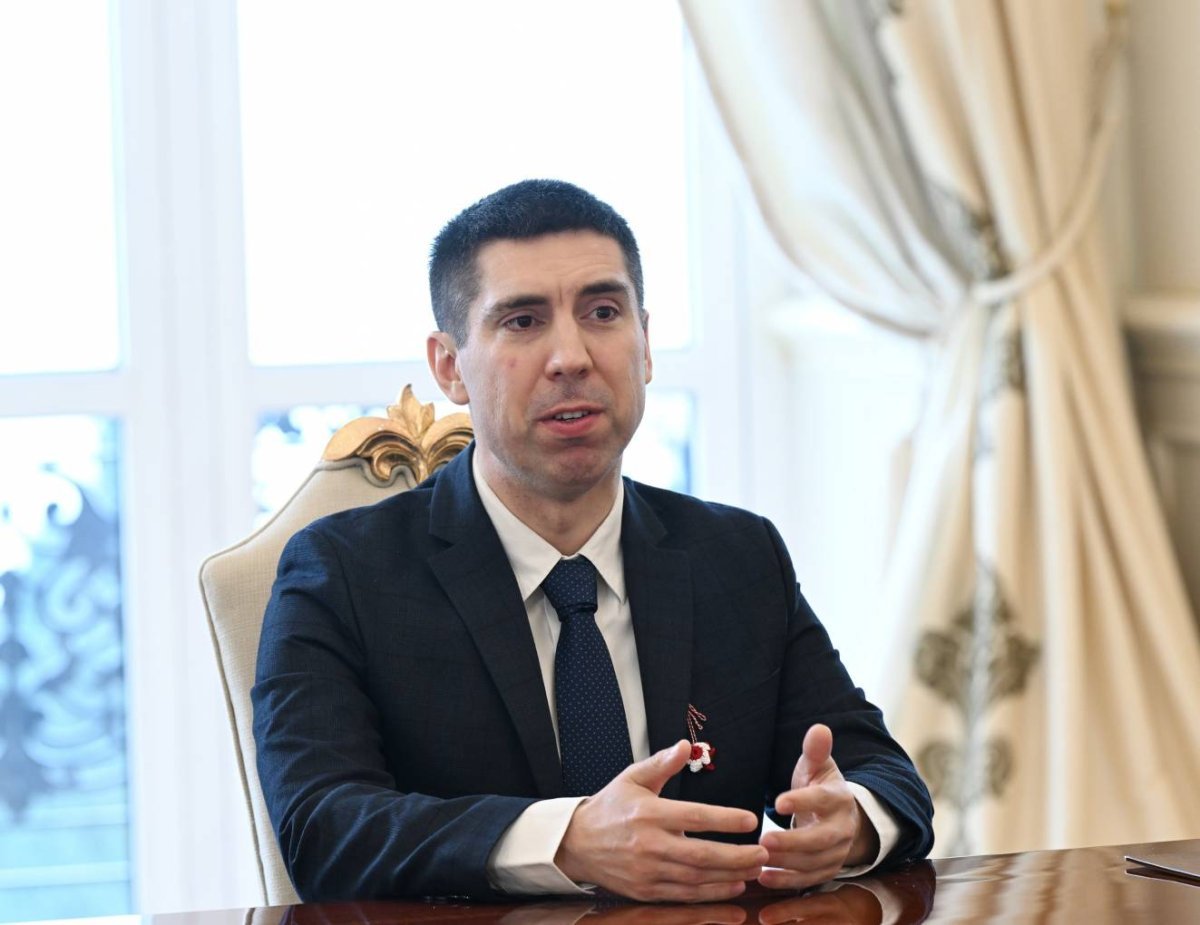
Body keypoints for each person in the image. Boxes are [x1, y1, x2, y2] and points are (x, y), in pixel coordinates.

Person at [252, 179, 934, 903]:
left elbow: (886, 777)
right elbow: (322, 826)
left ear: (645, 344)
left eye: (603, 313)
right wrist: (569, 839)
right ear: (449, 365)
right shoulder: (343, 573)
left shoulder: (738, 556)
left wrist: (850, 822)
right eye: (522, 321)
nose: (571, 357)